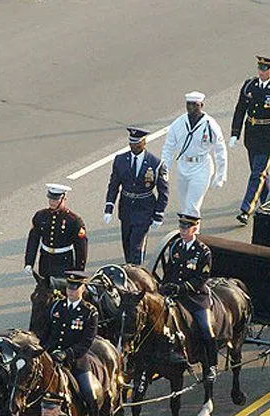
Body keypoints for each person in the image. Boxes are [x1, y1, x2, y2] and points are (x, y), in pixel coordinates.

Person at [229, 55, 270, 225]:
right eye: (260, 68)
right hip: (252, 134)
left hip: (268, 135)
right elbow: (240, 109)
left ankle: (246, 209)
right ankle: (269, 202)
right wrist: (235, 132)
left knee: (257, 173)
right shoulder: (250, 86)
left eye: (265, 69)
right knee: (260, 173)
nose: (262, 72)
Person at [158, 214, 217, 381]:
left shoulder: (203, 251)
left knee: (206, 328)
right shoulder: (176, 246)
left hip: (195, 297)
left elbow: (202, 278)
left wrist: (182, 287)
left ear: (194, 229)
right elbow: (169, 269)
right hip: (175, 294)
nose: (182, 231)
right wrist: (164, 287)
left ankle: (211, 365)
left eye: (186, 228)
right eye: (181, 227)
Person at [103, 127, 170, 264]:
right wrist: (109, 207)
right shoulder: (120, 160)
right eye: (131, 143)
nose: (134, 146)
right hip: (126, 207)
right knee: (127, 244)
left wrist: (158, 214)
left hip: (144, 209)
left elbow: (163, 192)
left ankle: (136, 272)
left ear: (144, 142)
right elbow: (114, 185)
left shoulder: (155, 164)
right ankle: (130, 268)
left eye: (137, 143)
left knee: (137, 246)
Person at [44, 271, 99, 416]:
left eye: (76, 288)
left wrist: (67, 353)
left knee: (89, 392)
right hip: (52, 358)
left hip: (76, 361)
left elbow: (86, 342)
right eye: (69, 287)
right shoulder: (56, 307)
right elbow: (46, 333)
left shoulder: (89, 312)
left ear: (83, 289)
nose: (71, 291)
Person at [160, 92, 228, 218]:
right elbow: (168, 148)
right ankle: (189, 233)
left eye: (195, 104)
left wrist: (221, 174)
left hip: (201, 167)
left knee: (192, 206)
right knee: (184, 205)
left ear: (201, 105)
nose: (191, 107)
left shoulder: (210, 125)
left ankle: (190, 235)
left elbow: (220, 150)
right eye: (189, 104)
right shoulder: (178, 123)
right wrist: (164, 169)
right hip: (183, 165)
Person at [24, 184, 88, 279]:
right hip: (45, 261)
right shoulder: (41, 216)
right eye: (50, 199)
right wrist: (29, 262)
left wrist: (79, 271)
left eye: (55, 199)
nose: (52, 202)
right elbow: (33, 240)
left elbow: (81, 248)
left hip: (64, 262)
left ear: (64, 199)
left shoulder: (73, 220)